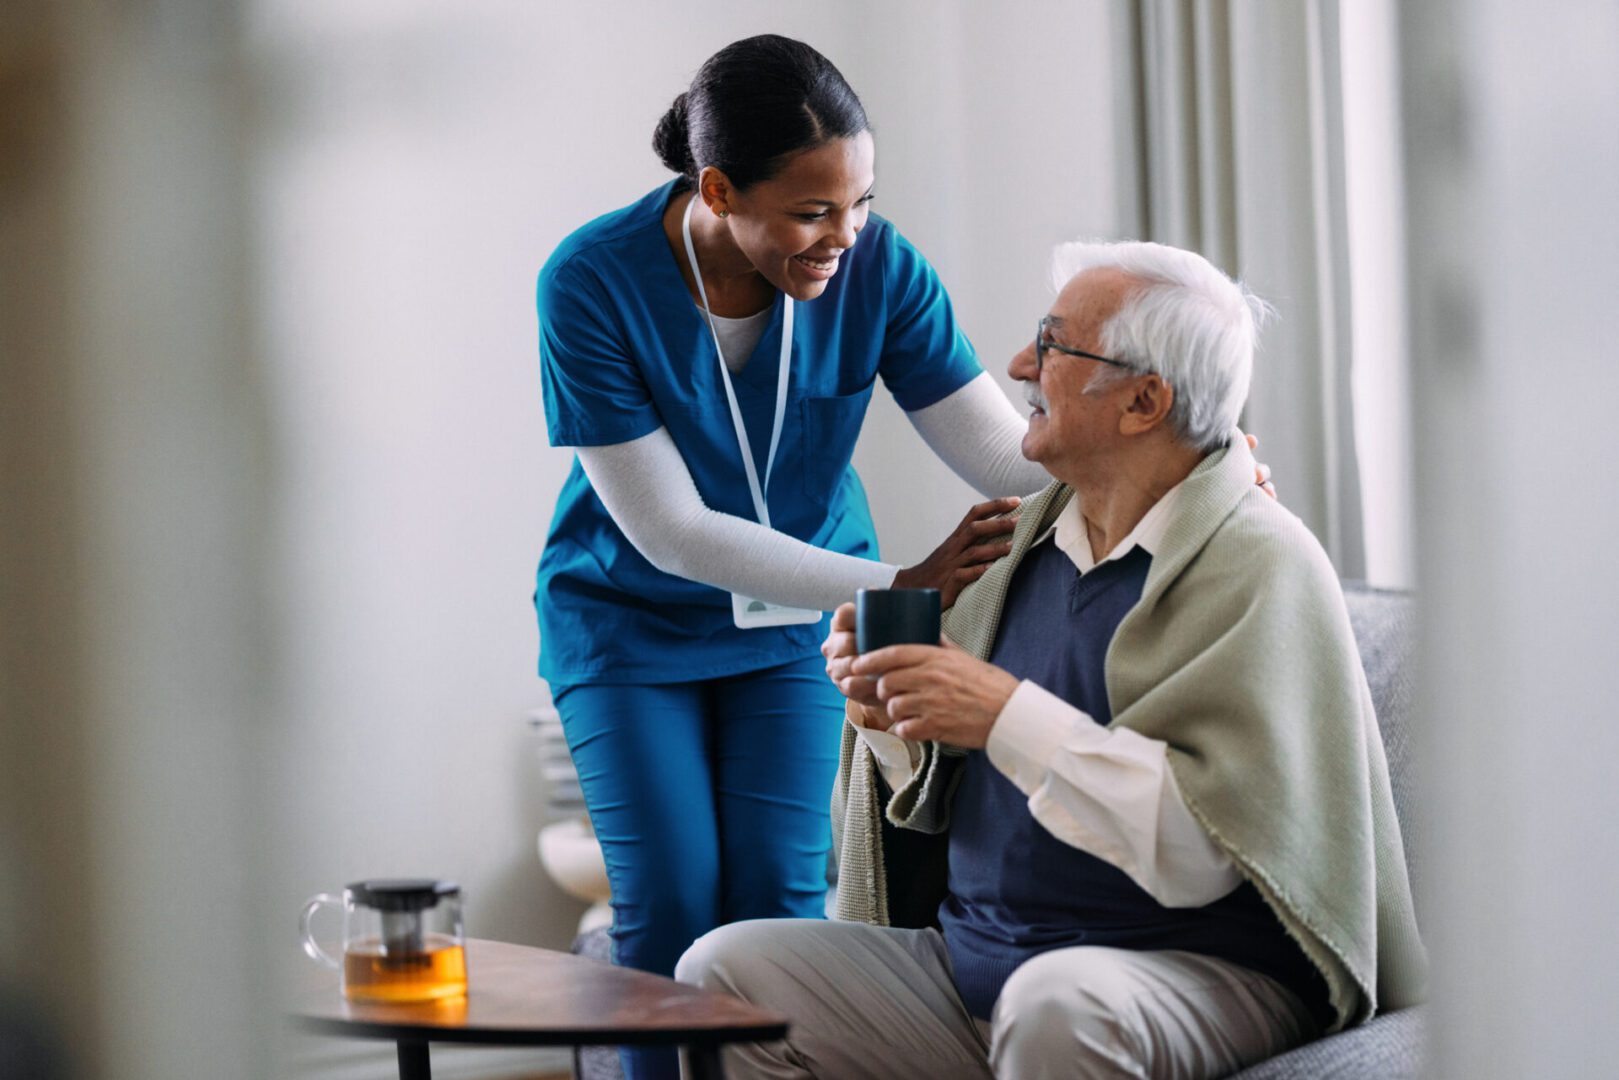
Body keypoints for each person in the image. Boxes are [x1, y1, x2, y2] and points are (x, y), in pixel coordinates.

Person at [675, 240, 1427, 1080]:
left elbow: (1206, 852)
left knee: (1056, 1001)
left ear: (1144, 401)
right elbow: (931, 793)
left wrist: (1000, 713)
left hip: (1199, 970)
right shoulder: (1014, 544)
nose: (1019, 364)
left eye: (1055, 345)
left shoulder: (1257, 562)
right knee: (723, 972)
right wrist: (890, 716)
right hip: (981, 966)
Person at [534, 34, 1056, 1080]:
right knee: (670, 899)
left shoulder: (880, 267)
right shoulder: (591, 281)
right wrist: (898, 586)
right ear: (718, 187)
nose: (844, 236)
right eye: (811, 212)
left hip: (797, 627)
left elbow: (1001, 451)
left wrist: (1181, 463)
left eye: (859, 202)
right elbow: (671, 533)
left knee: (776, 905)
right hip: (628, 626)